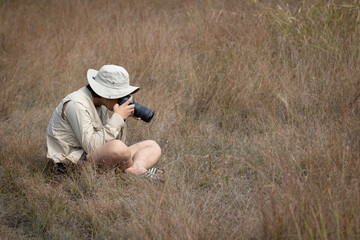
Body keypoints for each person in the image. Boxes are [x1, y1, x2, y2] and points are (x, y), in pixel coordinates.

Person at [46, 65, 163, 178]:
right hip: (72, 164)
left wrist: (123, 119)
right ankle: (132, 174)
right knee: (118, 148)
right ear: (107, 94)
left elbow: (112, 142)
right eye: (121, 95)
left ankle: (135, 170)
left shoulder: (101, 104)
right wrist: (118, 118)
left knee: (152, 145)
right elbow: (92, 148)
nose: (124, 99)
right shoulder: (76, 104)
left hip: (93, 157)